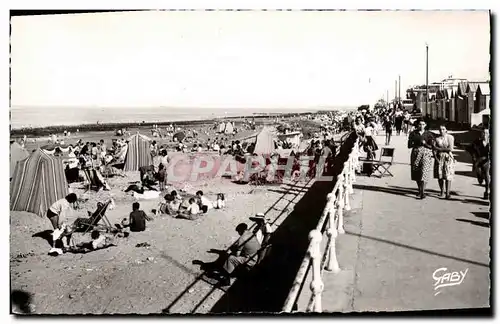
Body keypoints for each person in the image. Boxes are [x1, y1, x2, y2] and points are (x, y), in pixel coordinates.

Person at [408, 119, 435, 199]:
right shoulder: (413, 133)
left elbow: (432, 147)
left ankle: (422, 191)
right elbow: (409, 145)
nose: (421, 126)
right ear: (417, 125)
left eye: (423, 124)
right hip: (416, 152)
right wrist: (415, 143)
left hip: (426, 153)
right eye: (420, 124)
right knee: (416, 171)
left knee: (424, 171)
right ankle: (420, 189)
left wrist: (425, 144)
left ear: (425, 125)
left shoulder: (429, 134)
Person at [433, 125, 455, 199]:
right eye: (440, 129)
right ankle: (442, 191)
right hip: (439, 157)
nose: (441, 131)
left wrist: (439, 149)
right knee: (440, 175)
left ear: (446, 130)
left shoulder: (450, 137)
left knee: (448, 175)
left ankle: (447, 193)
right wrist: (436, 158)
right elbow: (434, 149)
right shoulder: (437, 138)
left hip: (448, 157)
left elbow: (450, 148)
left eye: (443, 129)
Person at [469, 128, 490, 199]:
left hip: (487, 161)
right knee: (480, 178)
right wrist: (474, 158)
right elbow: (470, 149)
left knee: (487, 176)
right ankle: (480, 177)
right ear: (481, 134)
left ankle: (487, 191)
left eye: (486, 133)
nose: (485, 134)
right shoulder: (477, 142)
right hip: (478, 161)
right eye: (483, 133)